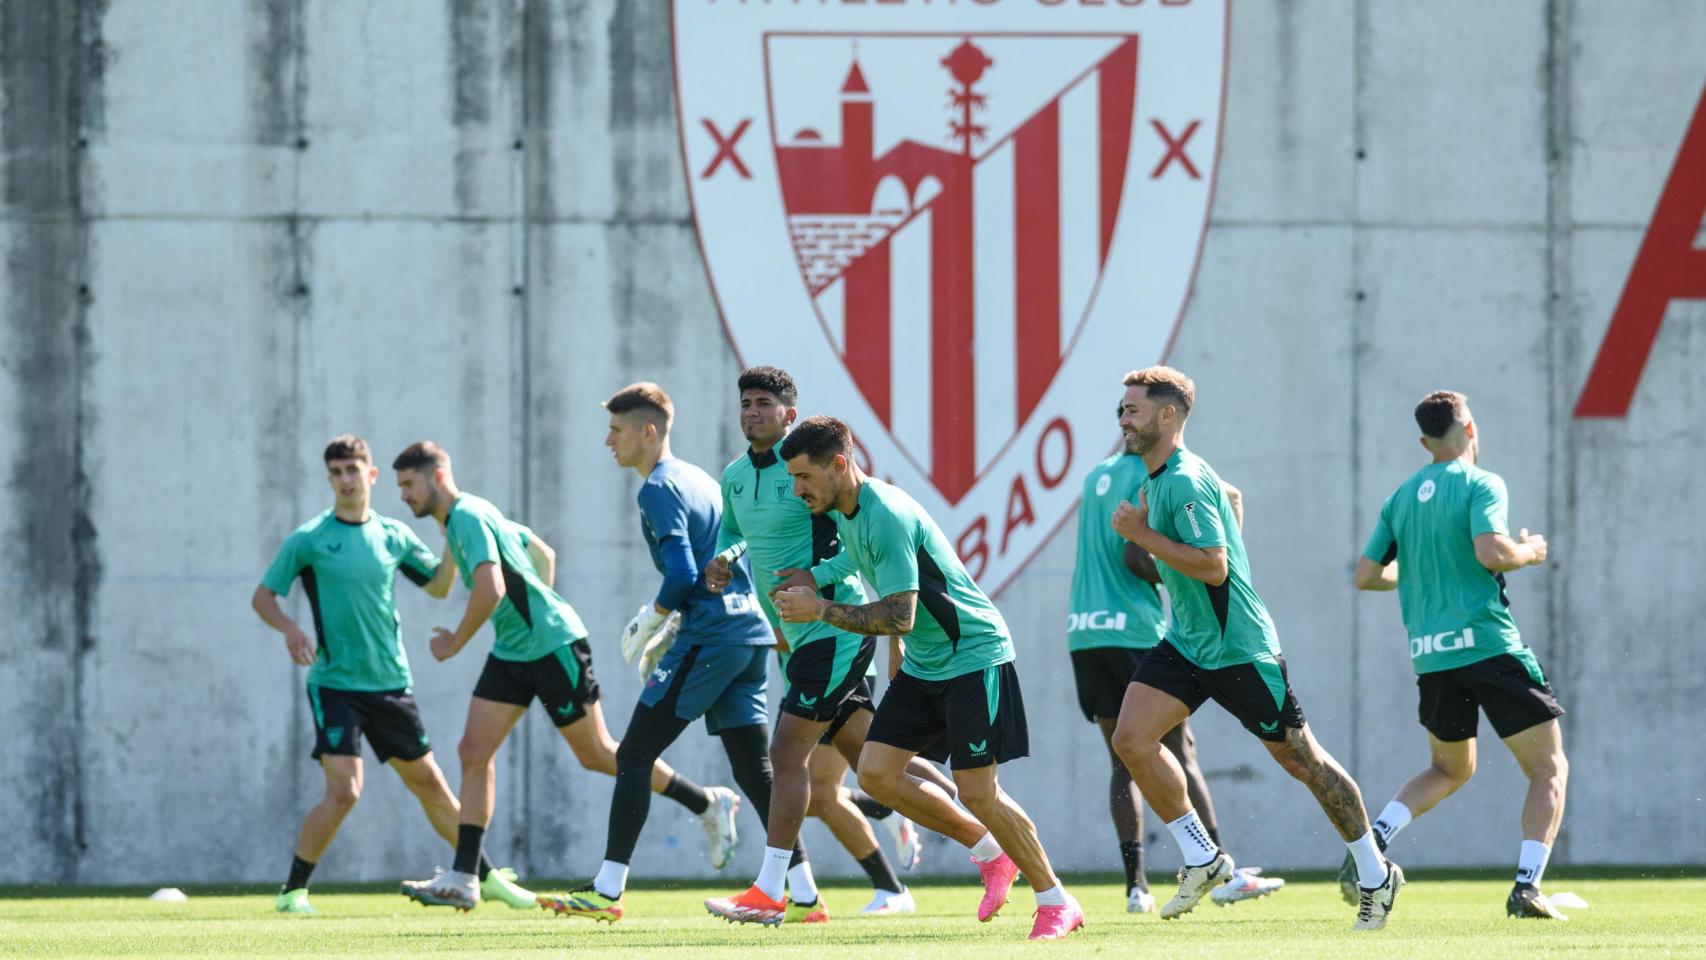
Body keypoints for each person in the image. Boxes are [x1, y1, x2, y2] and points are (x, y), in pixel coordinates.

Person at [1107, 366, 1402, 931]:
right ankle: (1202, 857)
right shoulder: (1161, 478)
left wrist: (1141, 534)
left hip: (1238, 648)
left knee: (1302, 760)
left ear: (1168, 415)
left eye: (1133, 409)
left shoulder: (1185, 479)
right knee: (1131, 739)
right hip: (1189, 645)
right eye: (1121, 409)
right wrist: (1166, 528)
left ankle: (1374, 872)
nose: (1123, 418)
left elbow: (1215, 568)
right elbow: (1232, 499)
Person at [770, 415, 1084, 941]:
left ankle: (1055, 899)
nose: (797, 490)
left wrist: (818, 607)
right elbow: (857, 557)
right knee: (875, 773)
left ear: (840, 465)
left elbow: (900, 615)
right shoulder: (849, 510)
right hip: (924, 664)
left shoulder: (886, 514)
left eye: (804, 478)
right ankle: (991, 854)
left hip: (972, 656)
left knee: (979, 791)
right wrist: (818, 575)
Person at [391, 440, 736, 911]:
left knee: (597, 753)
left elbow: (490, 587)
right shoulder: (467, 518)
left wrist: (455, 641)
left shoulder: (467, 518)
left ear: (437, 476)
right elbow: (542, 553)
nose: (404, 495)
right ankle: (465, 875)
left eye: (409, 484)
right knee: (473, 751)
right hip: (515, 650)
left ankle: (705, 802)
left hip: (552, 645)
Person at [252, 434, 534, 914]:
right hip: (335, 684)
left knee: (430, 784)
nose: (345, 480)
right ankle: (293, 891)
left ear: (371, 475)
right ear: (329, 479)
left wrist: (452, 530)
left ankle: (482, 877)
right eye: (336, 473)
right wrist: (290, 629)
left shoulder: (394, 535)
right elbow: (263, 597)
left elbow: (441, 585)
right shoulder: (309, 540)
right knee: (345, 791)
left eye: (352, 470)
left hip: (391, 684)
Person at [536, 383, 785, 923]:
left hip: (712, 636)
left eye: (617, 430)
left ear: (648, 432)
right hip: (749, 634)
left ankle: (607, 889)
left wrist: (654, 617)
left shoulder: (657, 488)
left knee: (633, 755)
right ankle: (805, 892)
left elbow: (683, 574)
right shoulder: (702, 477)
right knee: (754, 769)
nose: (608, 441)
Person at [701, 366, 921, 923]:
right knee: (871, 763)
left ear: (788, 414)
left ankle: (773, 889)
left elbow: (845, 531)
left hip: (834, 629)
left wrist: (816, 583)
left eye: (763, 403)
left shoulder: (810, 468)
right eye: (745, 402)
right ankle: (987, 837)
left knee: (784, 757)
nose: (751, 411)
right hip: (798, 636)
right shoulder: (731, 476)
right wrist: (726, 561)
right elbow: (734, 534)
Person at [1352, 390, 1568, 920]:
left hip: (1432, 658)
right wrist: (1530, 552)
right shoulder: (1481, 482)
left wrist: (1423, 572)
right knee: (1548, 768)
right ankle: (1526, 889)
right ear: (1471, 429)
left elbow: (1365, 576)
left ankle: (1374, 842)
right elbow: (1492, 552)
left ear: (1424, 441)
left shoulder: (1399, 498)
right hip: (1490, 648)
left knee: (1449, 769)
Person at [1068, 430, 1284, 913]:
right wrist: (1179, 569)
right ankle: (1221, 868)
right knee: (1179, 751)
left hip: (1084, 632)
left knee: (1123, 757)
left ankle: (1135, 886)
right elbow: (1135, 554)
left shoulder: (1095, 476)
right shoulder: (1146, 474)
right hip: (1136, 630)